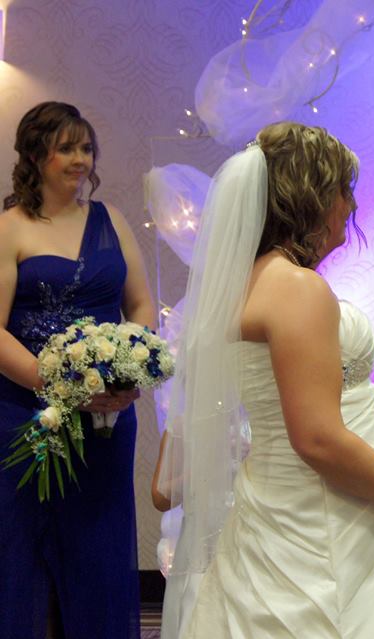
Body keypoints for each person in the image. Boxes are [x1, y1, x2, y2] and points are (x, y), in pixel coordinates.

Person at [156, 122, 374, 639]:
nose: (351, 206)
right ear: (312, 196)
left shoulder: (243, 283)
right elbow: (317, 439)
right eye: (344, 190)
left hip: (274, 507)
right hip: (332, 515)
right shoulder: (295, 288)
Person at [0, 101, 155, 639]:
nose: (80, 159)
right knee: (25, 549)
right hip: (26, 414)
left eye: (86, 148)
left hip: (107, 417)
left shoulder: (112, 221)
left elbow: (140, 305)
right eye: (66, 148)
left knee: (99, 548)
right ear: (35, 155)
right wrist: (63, 387)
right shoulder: (11, 227)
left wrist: (128, 371)